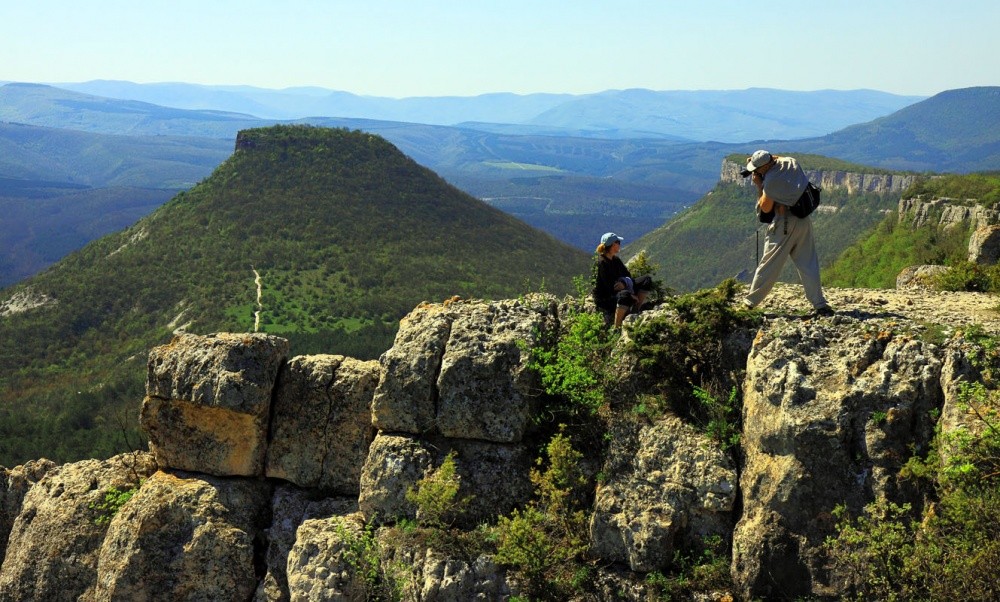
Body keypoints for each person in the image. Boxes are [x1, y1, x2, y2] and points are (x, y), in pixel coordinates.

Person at [742, 150, 833, 317]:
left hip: (784, 223)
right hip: (803, 220)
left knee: (769, 263)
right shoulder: (791, 162)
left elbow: (766, 208)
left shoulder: (772, 182)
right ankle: (820, 304)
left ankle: (750, 303)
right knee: (808, 262)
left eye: (757, 168)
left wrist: (759, 185)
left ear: (766, 166)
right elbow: (776, 158)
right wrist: (757, 163)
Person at [593, 232, 654, 327]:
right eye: (618, 243)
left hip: (621, 289)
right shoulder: (602, 263)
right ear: (613, 245)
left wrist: (623, 283)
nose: (619, 245)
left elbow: (627, 275)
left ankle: (635, 310)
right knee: (625, 295)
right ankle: (617, 326)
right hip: (606, 298)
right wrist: (629, 294)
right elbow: (609, 287)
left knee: (646, 280)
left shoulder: (615, 260)